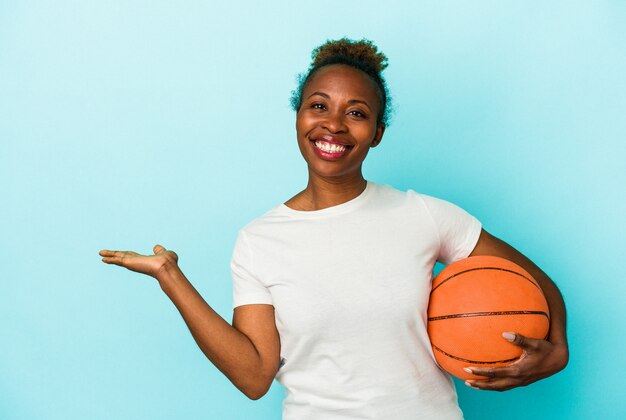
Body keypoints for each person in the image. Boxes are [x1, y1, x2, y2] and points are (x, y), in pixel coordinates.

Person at [100, 38, 569, 419]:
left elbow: (535, 283)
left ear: (377, 132)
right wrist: (170, 276)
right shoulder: (259, 240)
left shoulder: (424, 215)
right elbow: (253, 376)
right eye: (318, 106)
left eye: (357, 113)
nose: (334, 125)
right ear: (299, 116)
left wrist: (558, 350)